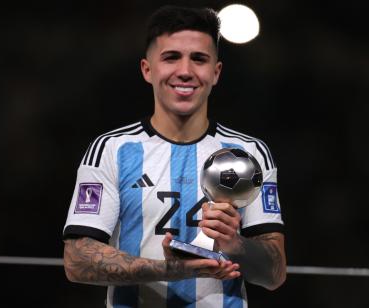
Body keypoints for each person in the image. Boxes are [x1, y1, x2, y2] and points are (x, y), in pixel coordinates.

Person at [63, 5, 286, 307]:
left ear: (216, 72)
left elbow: (274, 274)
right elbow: (77, 261)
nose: (185, 71)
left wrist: (236, 245)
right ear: (147, 69)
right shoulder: (112, 150)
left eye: (199, 59)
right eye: (171, 57)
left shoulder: (250, 154)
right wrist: (171, 270)